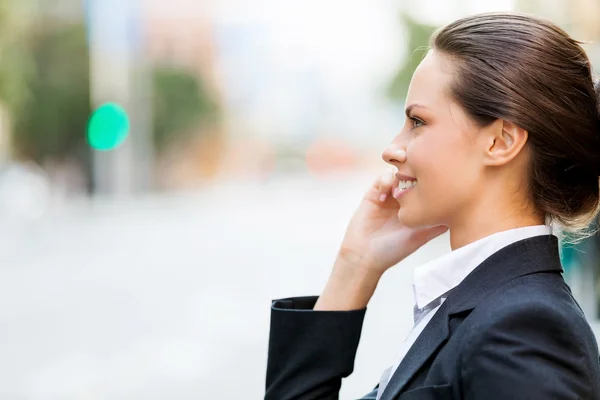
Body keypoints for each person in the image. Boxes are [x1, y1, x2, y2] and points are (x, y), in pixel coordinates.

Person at [264, 12, 600, 400]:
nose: (392, 149)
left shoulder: (525, 330)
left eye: (418, 122)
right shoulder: (483, 306)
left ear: (501, 141)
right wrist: (355, 265)